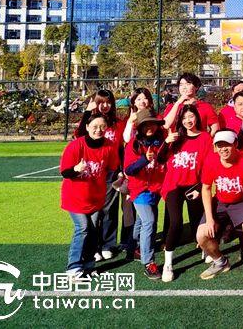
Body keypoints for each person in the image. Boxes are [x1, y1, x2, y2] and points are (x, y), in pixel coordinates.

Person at [197, 130, 243, 281]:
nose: (223, 149)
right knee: (201, 235)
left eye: (227, 144)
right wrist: (209, 219)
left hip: (242, 202)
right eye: (219, 145)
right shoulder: (211, 160)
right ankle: (220, 261)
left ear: (235, 144)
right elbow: (206, 189)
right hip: (220, 202)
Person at [60, 113, 121, 280]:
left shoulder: (109, 146)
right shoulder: (76, 146)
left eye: (102, 126)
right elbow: (64, 172)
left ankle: (88, 264)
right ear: (87, 127)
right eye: (94, 126)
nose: (98, 130)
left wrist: (120, 177)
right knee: (83, 228)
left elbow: (113, 168)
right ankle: (73, 267)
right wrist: (76, 170)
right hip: (75, 198)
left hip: (95, 197)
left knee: (93, 230)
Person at [160, 104, 212, 282]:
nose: (188, 121)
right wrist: (166, 143)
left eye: (191, 116)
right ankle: (168, 264)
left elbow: (207, 166)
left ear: (196, 117)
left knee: (198, 221)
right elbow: (160, 159)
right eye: (184, 118)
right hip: (173, 185)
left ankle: (206, 249)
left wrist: (200, 187)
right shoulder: (175, 137)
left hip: (193, 186)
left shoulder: (205, 137)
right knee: (176, 223)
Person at [74, 89, 125, 261]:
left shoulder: (118, 124)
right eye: (101, 102)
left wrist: (121, 169)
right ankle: (93, 246)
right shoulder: (90, 121)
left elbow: (120, 148)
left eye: (108, 102)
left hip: (110, 171)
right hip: (92, 171)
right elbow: (79, 135)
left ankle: (108, 244)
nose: (105, 106)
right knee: (94, 210)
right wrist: (87, 112)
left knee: (109, 209)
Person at [123, 110, 167, 280]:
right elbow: (129, 170)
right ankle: (149, 263)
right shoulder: (133, 144)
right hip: (139, 189)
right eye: (145, 124)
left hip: (155, 189)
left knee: (143, 222)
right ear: (139, 127)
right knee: (149, 221)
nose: (150, 127)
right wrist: (144, 159)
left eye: (152, 123)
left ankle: (133, 247)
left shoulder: (160, 142)